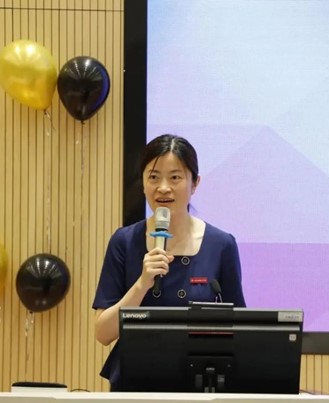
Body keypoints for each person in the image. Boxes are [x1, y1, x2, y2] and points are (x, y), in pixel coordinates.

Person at [92, 134, 246, 390]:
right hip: (135, 383)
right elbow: (103, 333)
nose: (163, 188)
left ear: (194, 183)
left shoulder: (221, 245)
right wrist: (142, 283)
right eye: (153, 177)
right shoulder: (124, 241)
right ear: (143, 183)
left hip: (199, 383)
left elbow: (240, 331)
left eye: (175, 177)